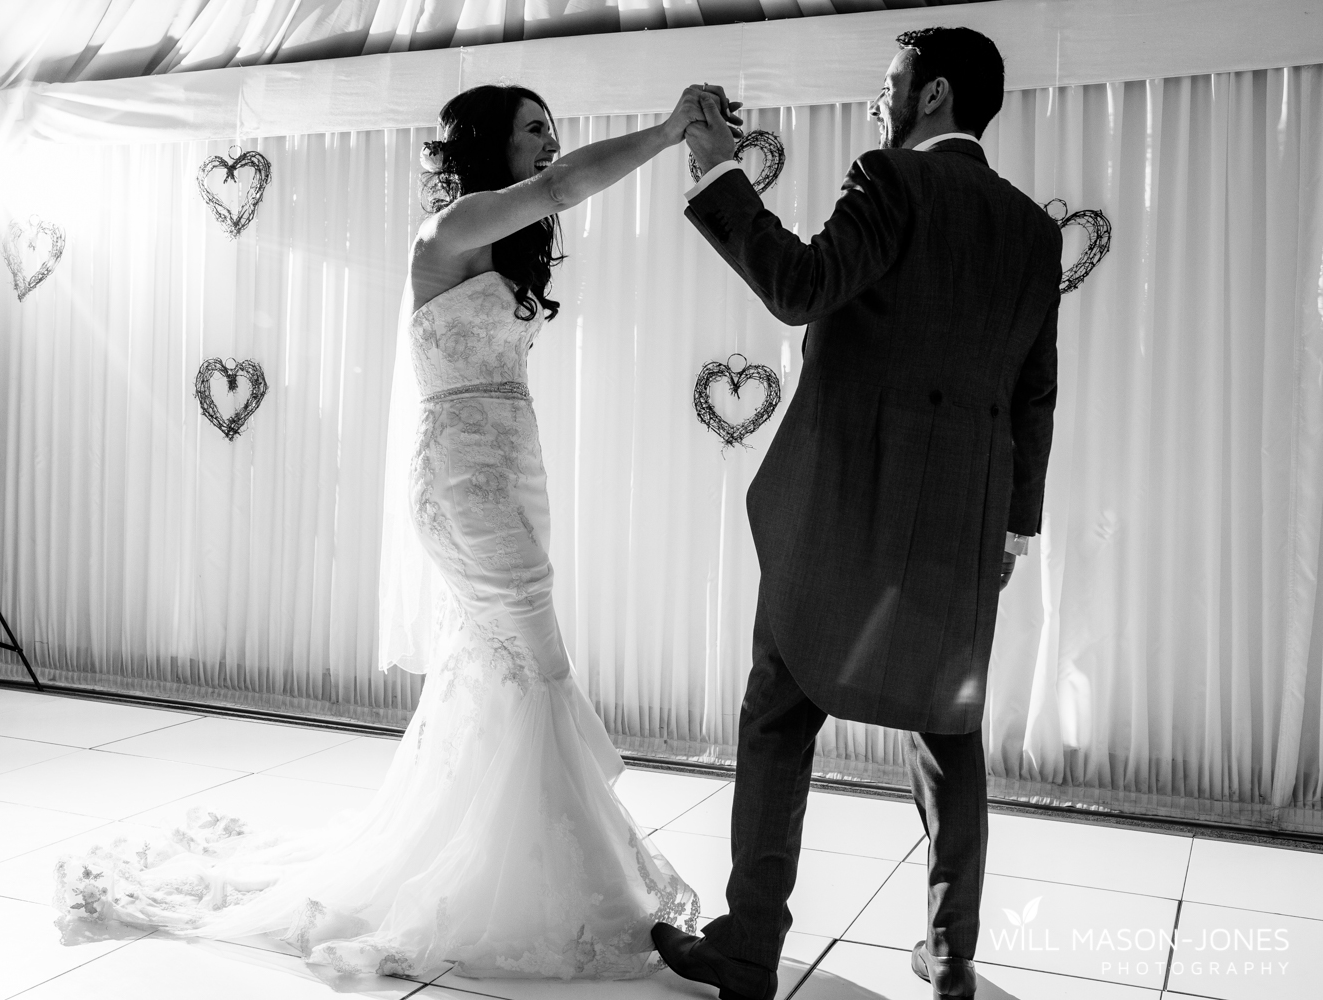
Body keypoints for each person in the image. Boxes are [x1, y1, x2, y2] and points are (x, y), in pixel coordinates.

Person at [54, 83, 740, 982]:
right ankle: (572, 886)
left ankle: (523, 868)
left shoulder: (500, 240)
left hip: (512, 470)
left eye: (550, 128)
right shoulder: (448, 231)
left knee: (501, 672)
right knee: (538, 666)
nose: (548, 140)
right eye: (534, 128)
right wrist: (663, 133)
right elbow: (564, 189)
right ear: (490, 142)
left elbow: (550, 208)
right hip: (463, 482)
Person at [651, 28, 1062, 1000]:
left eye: (890, 84)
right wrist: (1016, 524)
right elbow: (1035, 391)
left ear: (933, 94)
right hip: (965, 519)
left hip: (843, 509)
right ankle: (951, 953)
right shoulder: (1031, 231)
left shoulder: (890, 180)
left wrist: (716, 173)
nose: (881, 101)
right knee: (947, 732)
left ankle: (751, 944)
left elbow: (800, 287)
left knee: (779, 715)